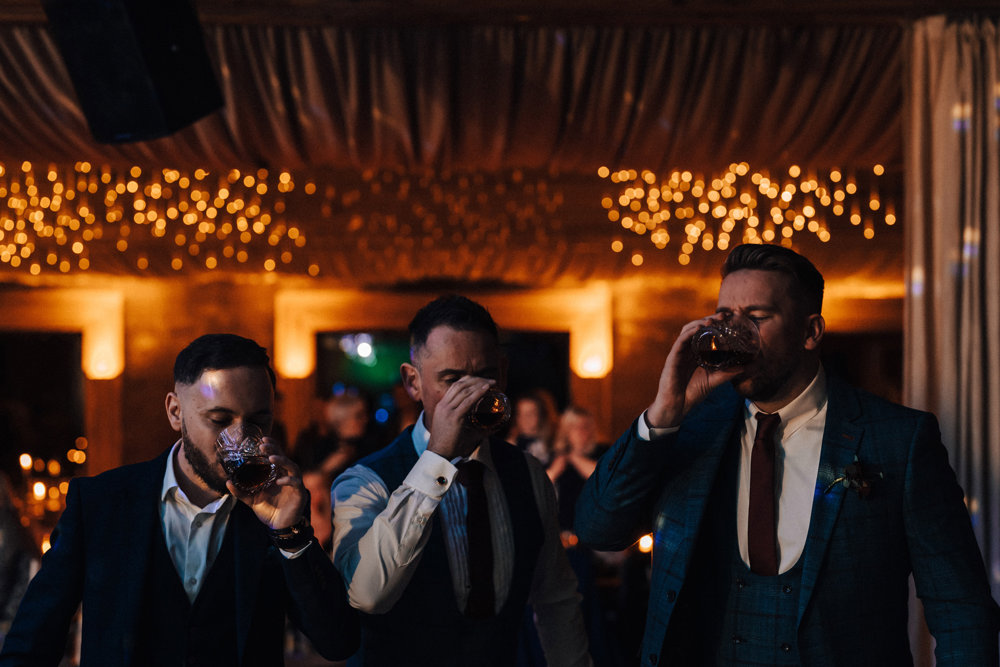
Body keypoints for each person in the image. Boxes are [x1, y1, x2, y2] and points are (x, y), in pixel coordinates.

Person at [575, 243, 1000, 666]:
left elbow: (960, 609)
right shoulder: (688, 428)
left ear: (810, 332)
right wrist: (663, 413)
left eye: (756, 317)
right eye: (725, 317)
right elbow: (598, 529)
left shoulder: (898, 439)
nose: (735, 332)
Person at [0, 333, 359, 667]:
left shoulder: (276, 513)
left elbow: (338, 641)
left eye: (257, 421)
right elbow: (32, 642)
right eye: (220, 419)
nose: (239, 437)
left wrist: (290, 535)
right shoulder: (100, 503)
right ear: (175, 412)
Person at [330, 295, 591, 666]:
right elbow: (367, 596)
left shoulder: (528, 474)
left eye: (484, 377)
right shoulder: (364, 481)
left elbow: (556, 599)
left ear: (502, 374)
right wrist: (436, 459)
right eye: (451, 380)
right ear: (413, 382)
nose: (472, 395)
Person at [508, 389, 559, 466]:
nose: (524, 419)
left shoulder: (554, 443)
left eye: (529, 414)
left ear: (541, 415)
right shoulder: (512, 445)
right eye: (519, 414)